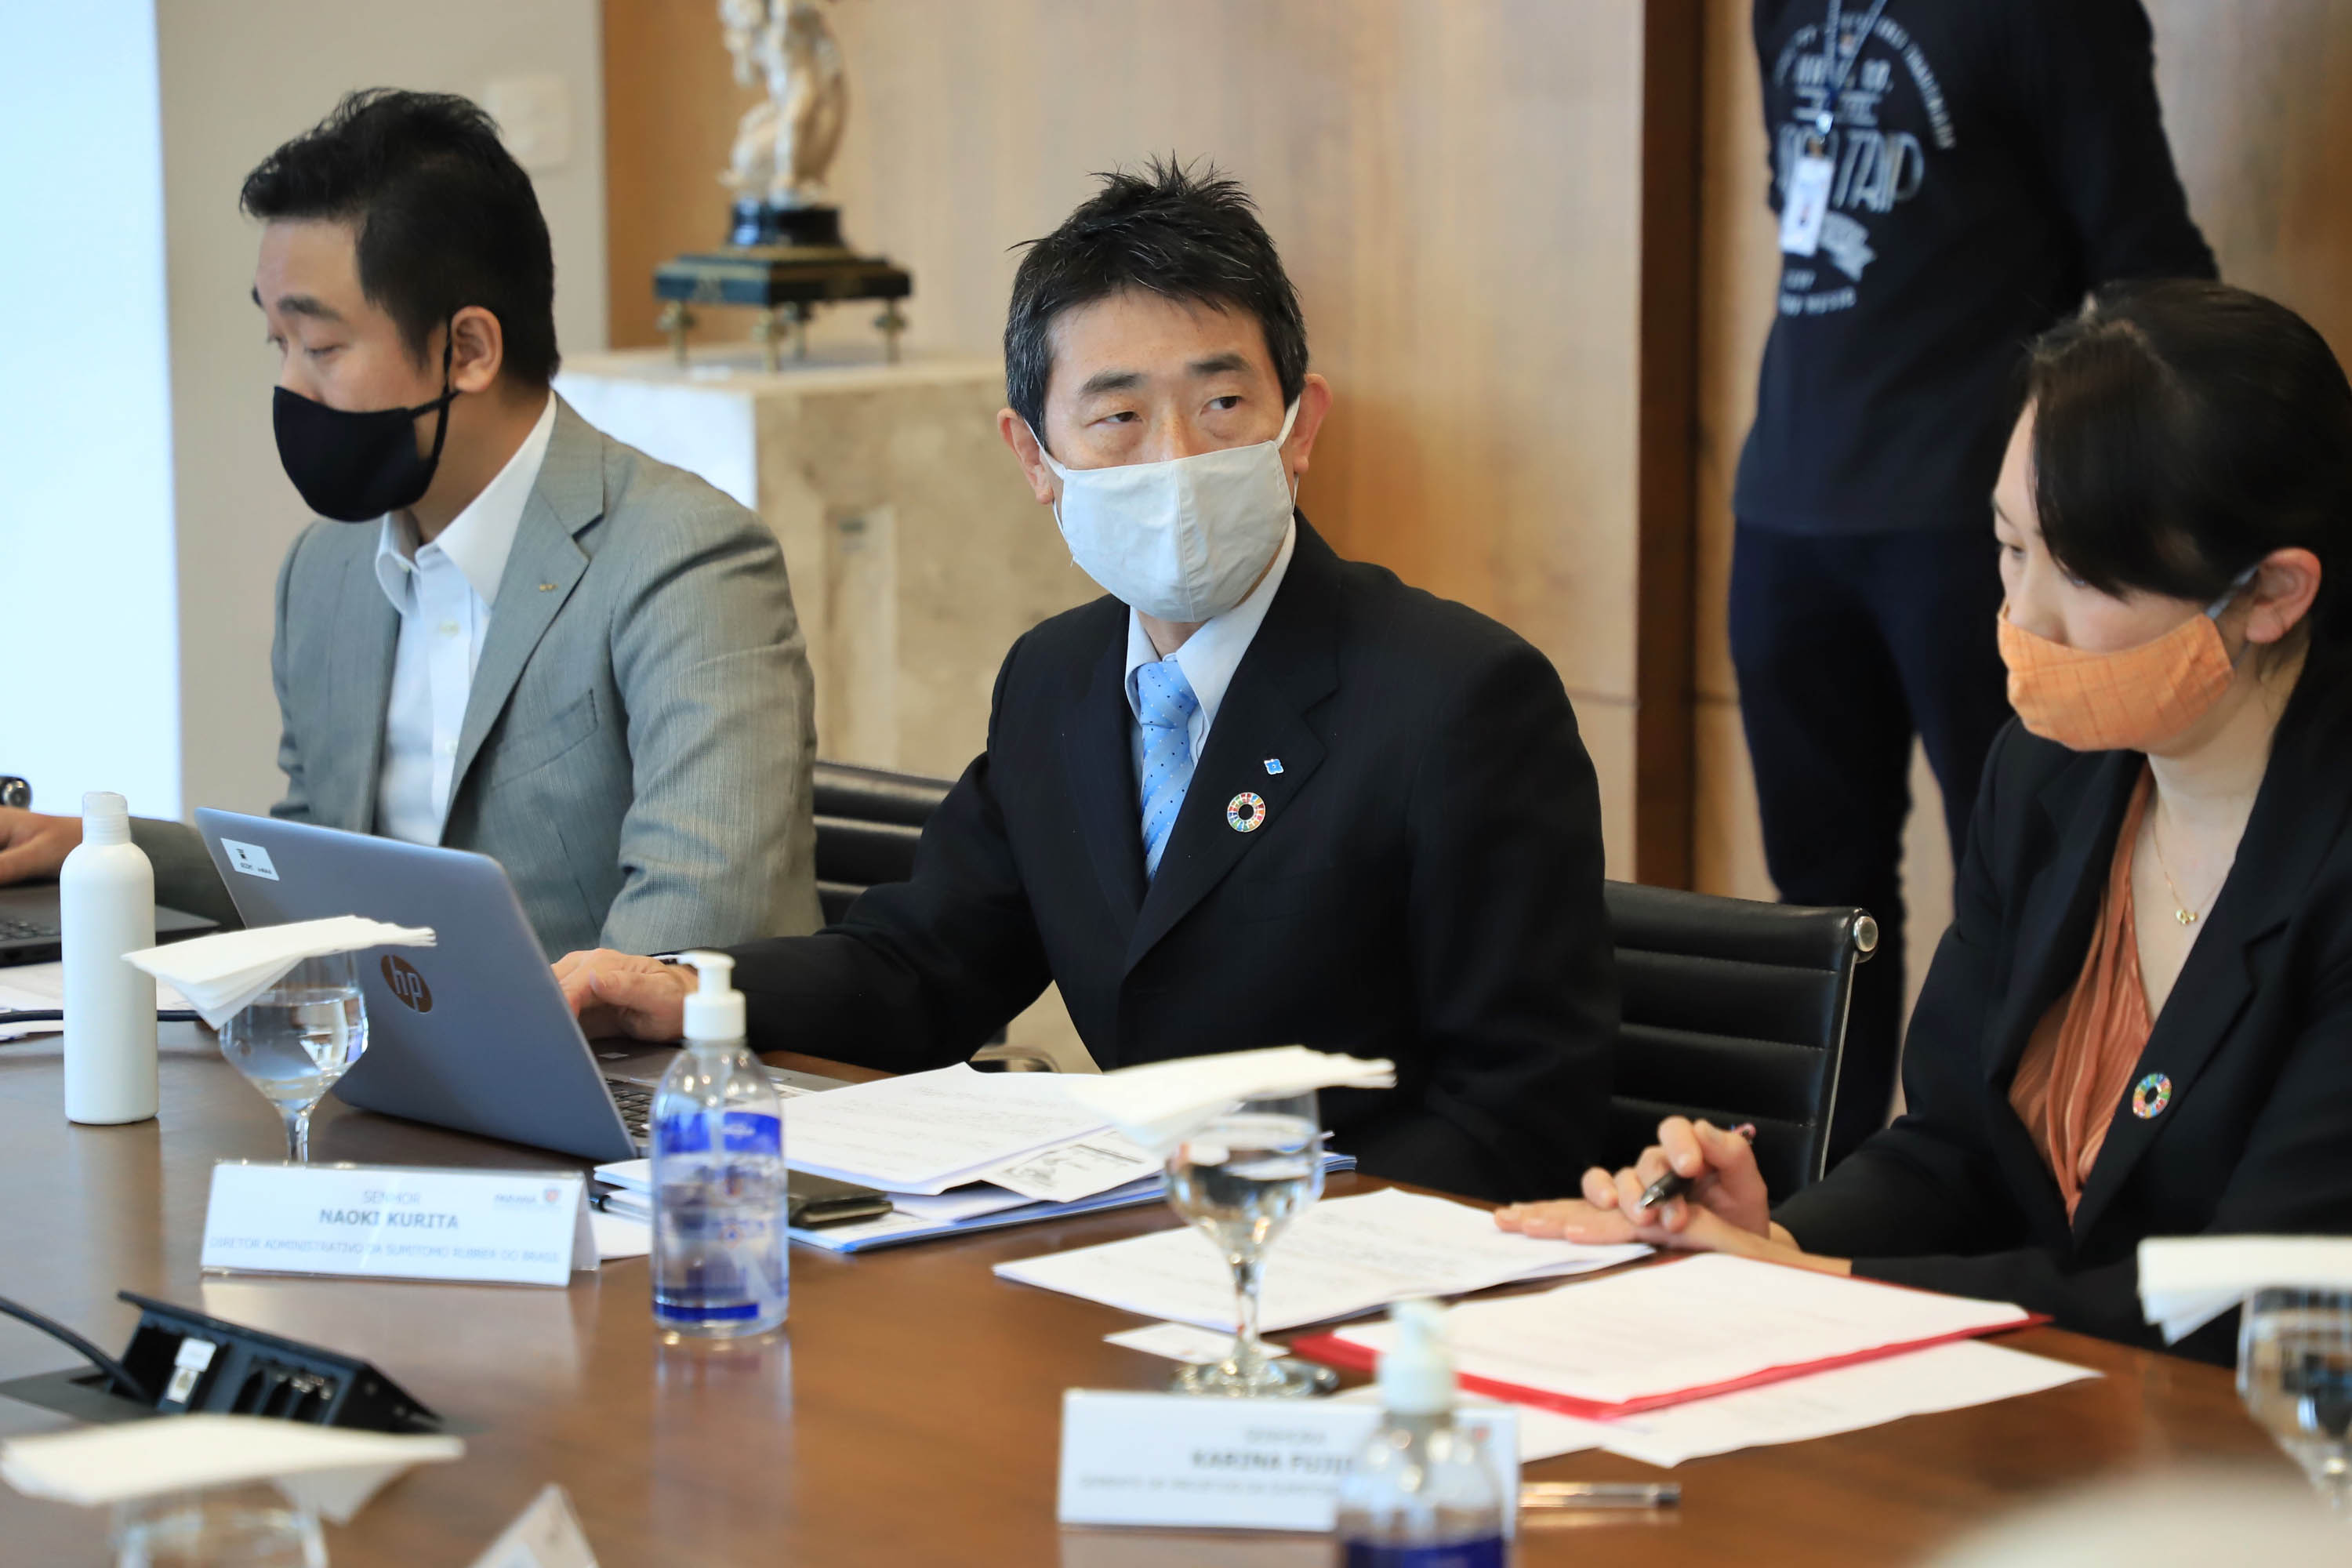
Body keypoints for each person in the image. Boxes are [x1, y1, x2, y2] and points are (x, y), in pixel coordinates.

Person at [555, 161, 1616, 1201]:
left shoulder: (1461, 698)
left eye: (1225, 402)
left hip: (1346, 1275)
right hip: (1132, 1258)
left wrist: (1246, 1232)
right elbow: (923, 968)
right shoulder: (1056, 679)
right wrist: (692, 992)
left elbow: (1521, 1113)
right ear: (1033, 458)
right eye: (1117, 418)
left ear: (1301, 431)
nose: (1176, 458)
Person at [1500, 280, 2352, 1362]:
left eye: (2082, 573)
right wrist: (1769, 1238)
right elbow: (1956, 1147)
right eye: (2009, 547)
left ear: (2273, 592)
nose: (2021, 615)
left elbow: (2254, 1301)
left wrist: (1829, 1283)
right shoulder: (2049, 776)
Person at [0, 89, 820, 958]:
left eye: (320, 348)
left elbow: (702, 928)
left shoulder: (685, 559)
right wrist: (110, 853)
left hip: (620, 1083)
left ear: (467, 350)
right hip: (398, 1076)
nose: (290, 389)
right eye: (275, 344)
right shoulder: (326, 570)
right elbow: (317, 877)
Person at [1734, 0, 2216, 1162]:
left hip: (1979, 526)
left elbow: (2152, 270)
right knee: (1820, 911)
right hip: (1787, 505)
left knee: (2024, 890)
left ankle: (2002, 1204)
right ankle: (1816, 1218)